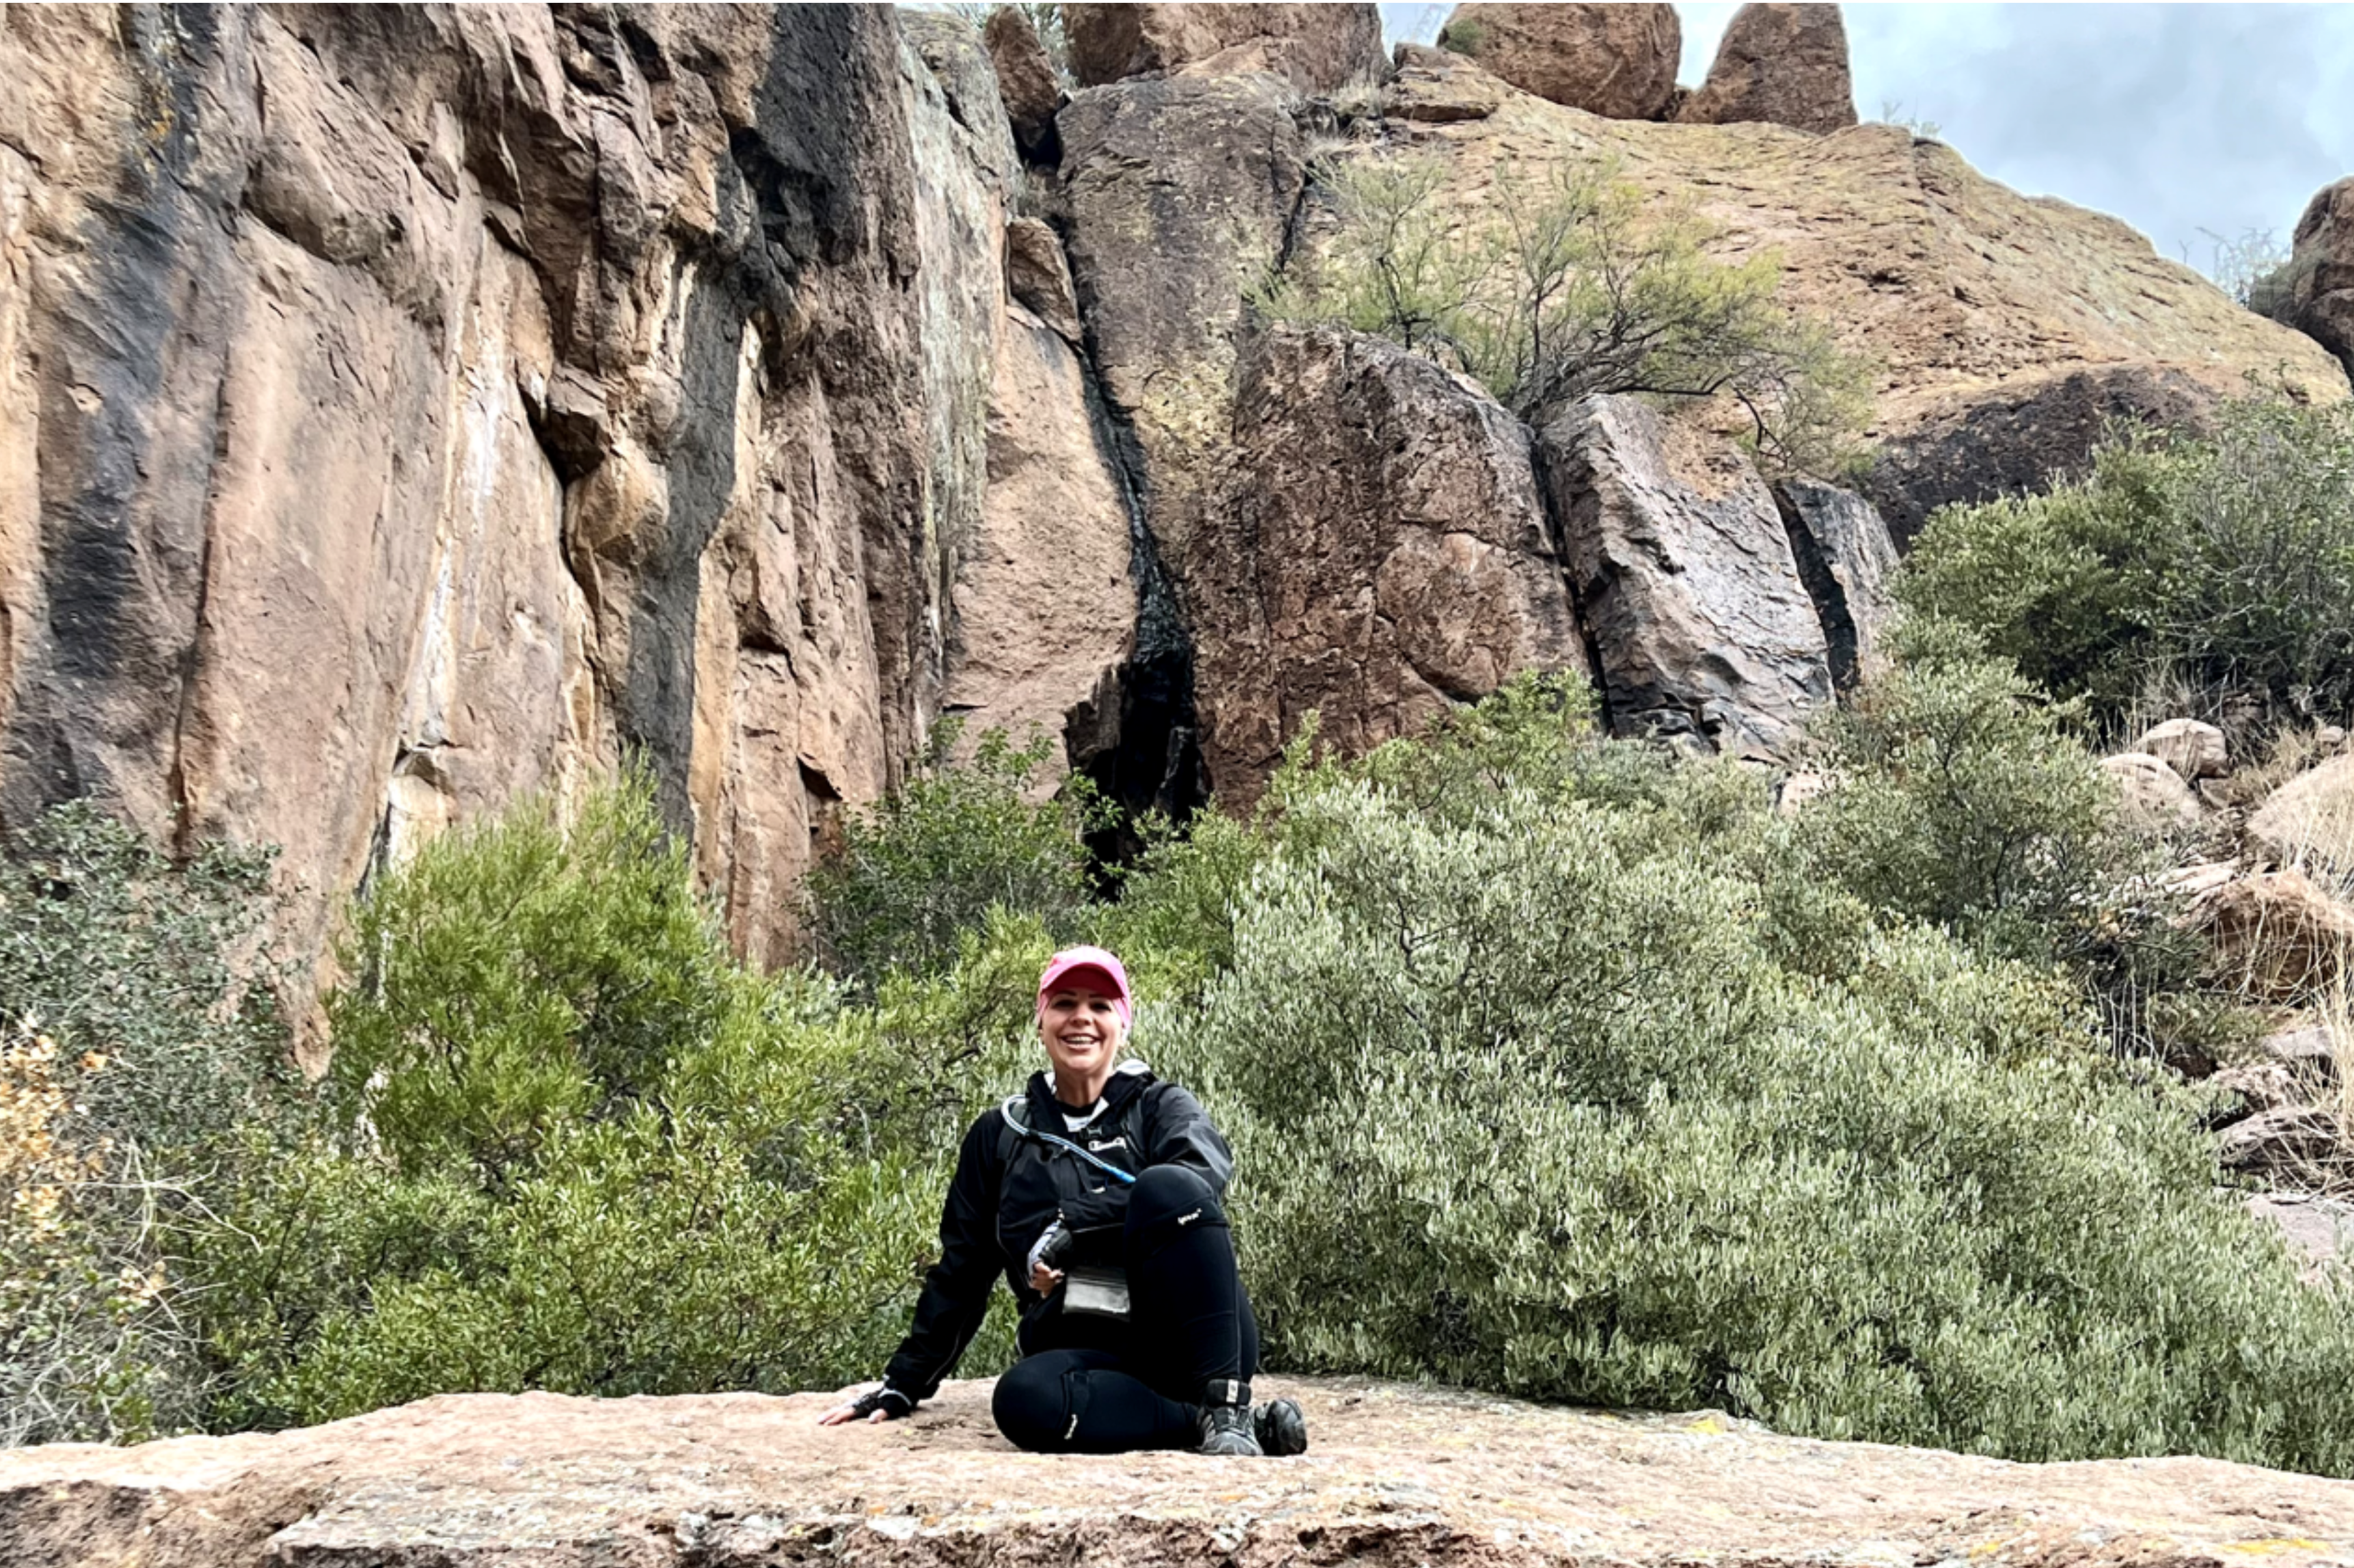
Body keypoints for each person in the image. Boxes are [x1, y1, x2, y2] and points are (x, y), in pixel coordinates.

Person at [819, 945, 1306, 1457]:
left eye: (1100, 1005)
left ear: (1123, 1022)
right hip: (1084, 1348)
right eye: (1065, 1002)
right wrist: (905, 1382)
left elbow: (1199, 1179)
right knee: (1022, 1398)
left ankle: (1227, 1409)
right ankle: (1219, 1424)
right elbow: (963, 1268)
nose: (1082, 1018)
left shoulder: (1162, 1107)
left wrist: (1074, 1230)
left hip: (1195, 1342)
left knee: (1170, 1187)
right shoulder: (1000, 1135)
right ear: (1041, 1020)